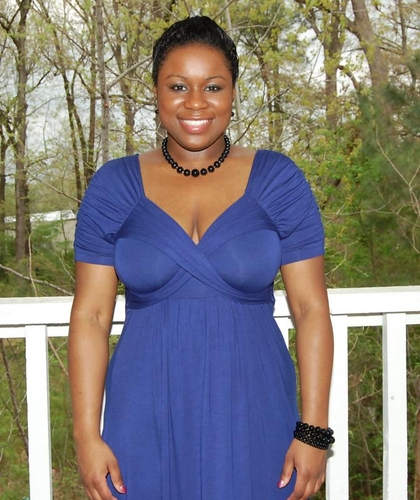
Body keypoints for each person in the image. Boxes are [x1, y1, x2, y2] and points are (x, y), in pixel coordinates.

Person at [68, 15, 334, 500]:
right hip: (143, 416)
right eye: (178, 86)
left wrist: (313, 431)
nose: (195, 103)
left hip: (255, 411)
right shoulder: (113, 186)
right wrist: (86, 436)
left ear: (233, 93)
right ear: (155, 92)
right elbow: (90, 315)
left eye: (213, 86)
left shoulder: (278, 179)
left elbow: (311, 308)